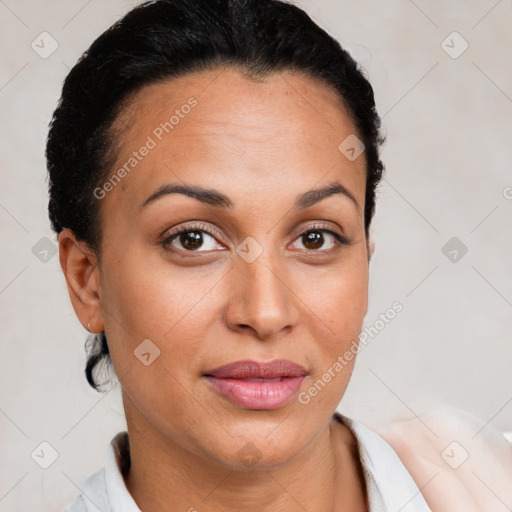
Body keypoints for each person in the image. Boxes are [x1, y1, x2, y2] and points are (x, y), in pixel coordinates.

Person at [46, 0, 511, 510]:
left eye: (315, 238)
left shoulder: (484, 485)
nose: (266, 313)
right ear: (86, 280)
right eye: (193, 239)